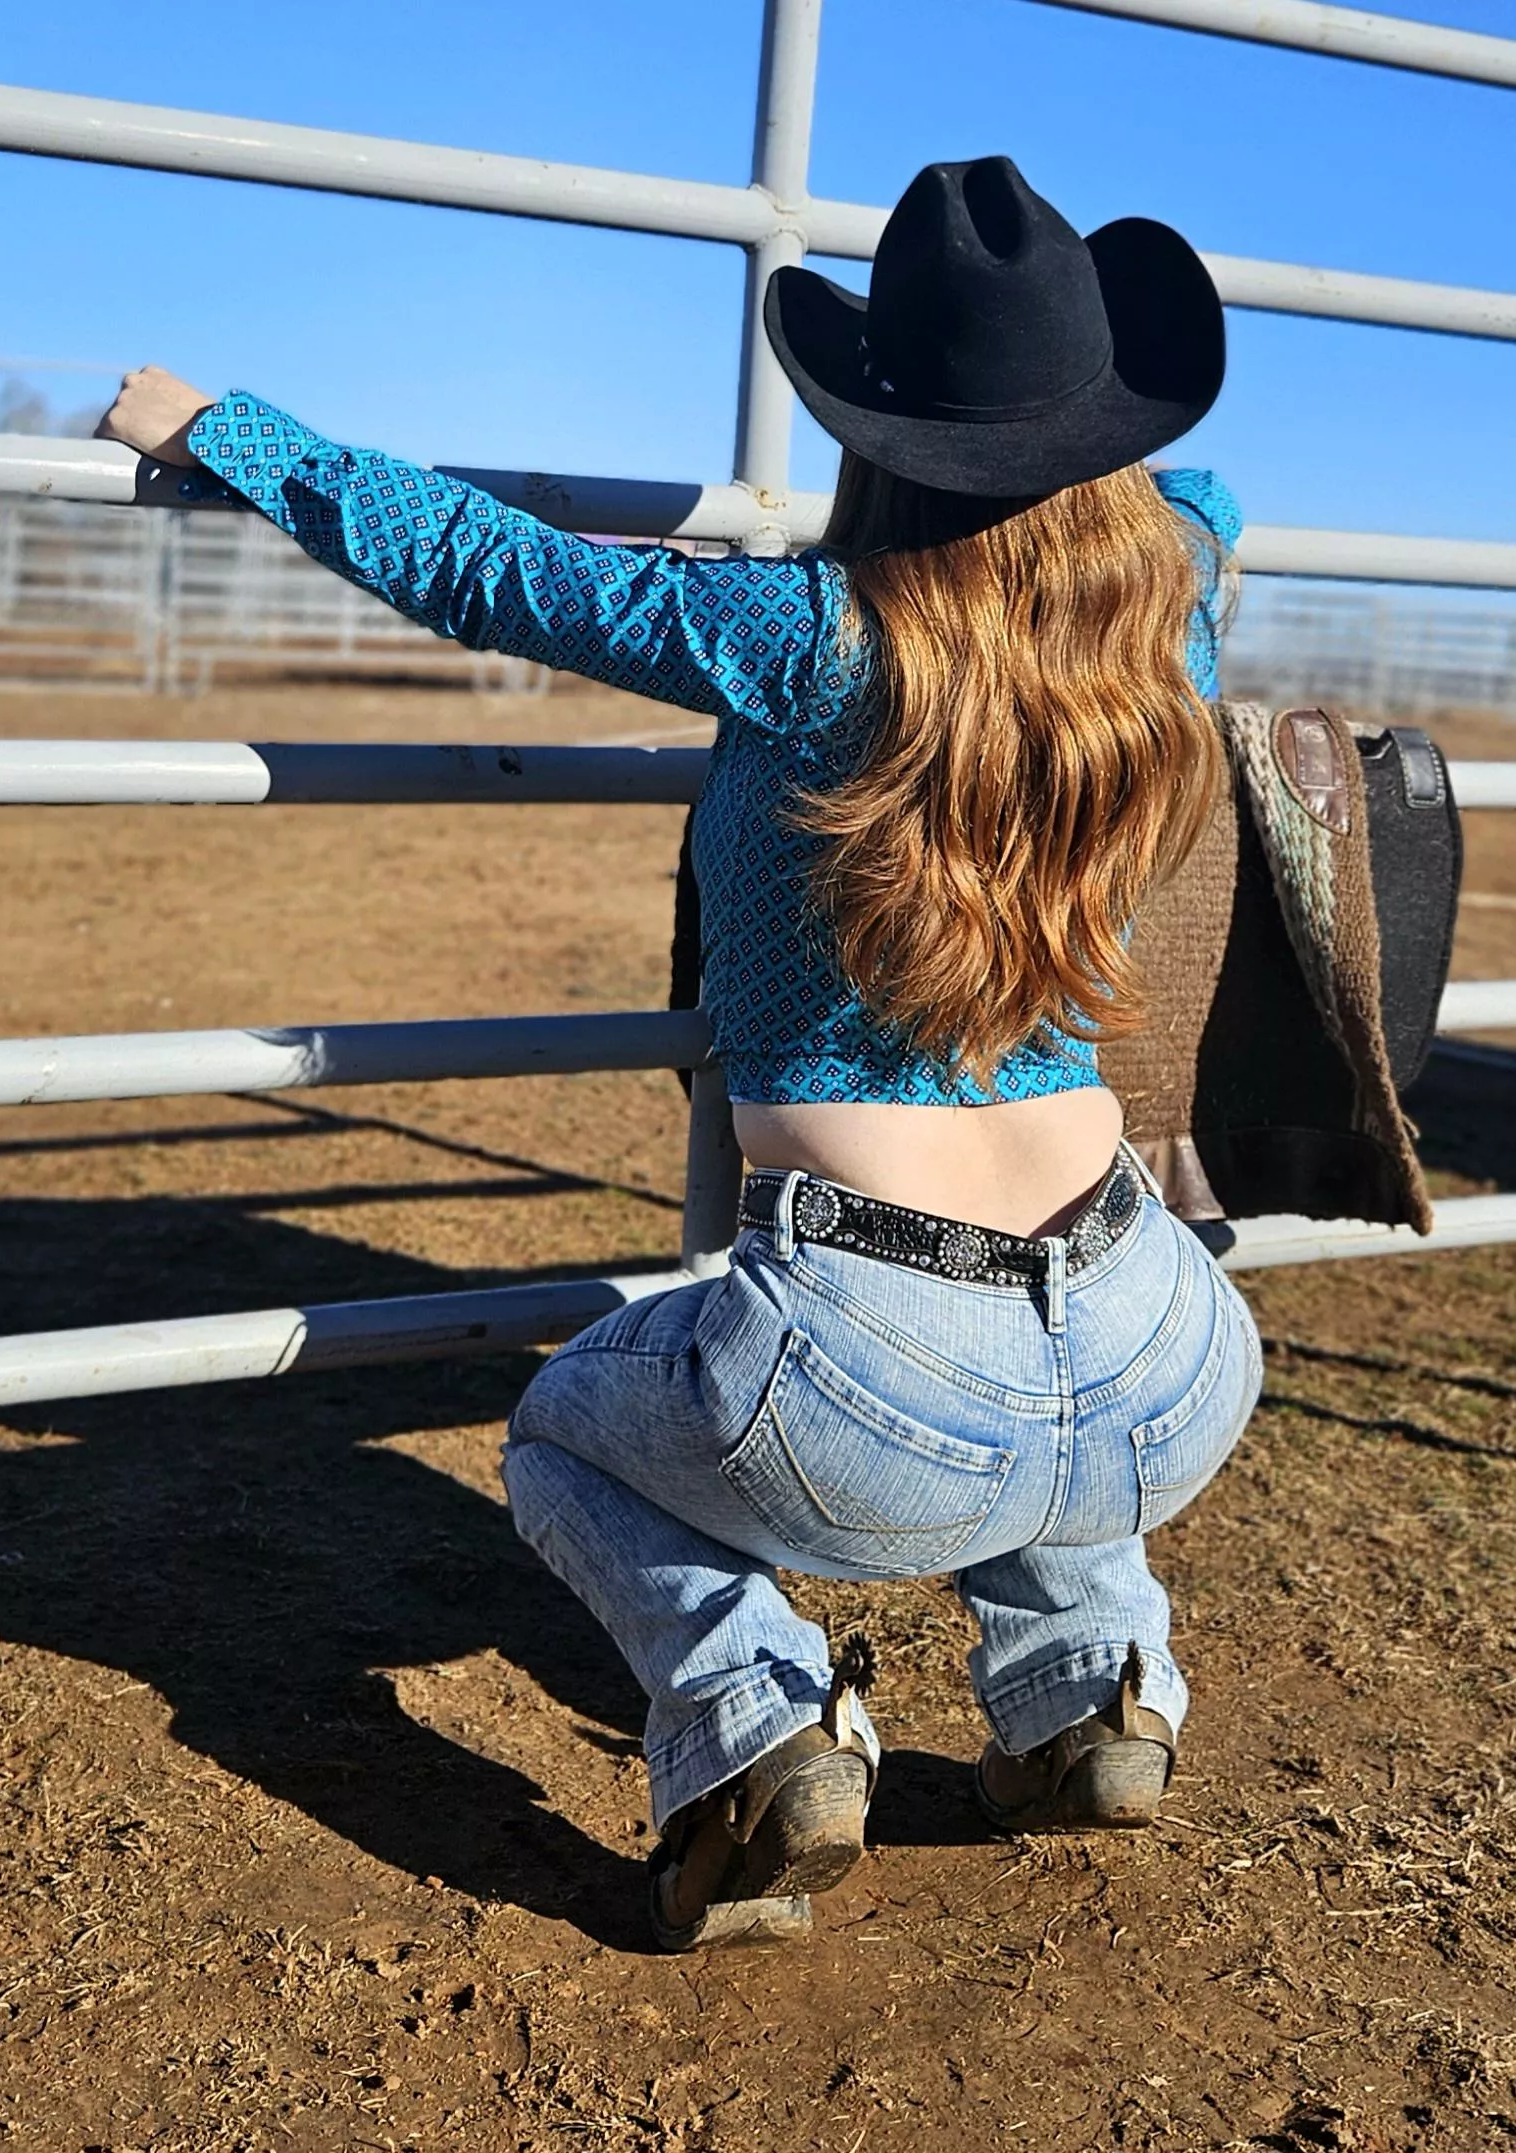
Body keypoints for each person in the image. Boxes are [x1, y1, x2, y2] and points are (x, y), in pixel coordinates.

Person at [97, 155, 1262, 1953]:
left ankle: (759, 1726)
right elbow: (1202, 494)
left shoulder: (800, 636)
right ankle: (1090, 1694)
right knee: (1040, 1405)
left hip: (879, 1364)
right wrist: (1088, 467)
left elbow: (492, 567)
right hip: (1167, 1339)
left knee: (562, 1433)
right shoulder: (1164, 607)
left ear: (879, 434)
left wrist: (227, 431)